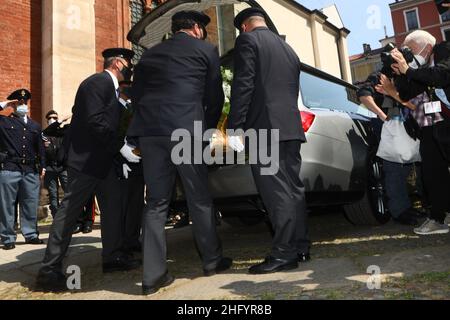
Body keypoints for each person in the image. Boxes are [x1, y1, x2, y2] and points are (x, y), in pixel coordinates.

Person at [127, 10, 231, 296]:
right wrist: (207, 130)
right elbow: (213, 96)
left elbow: (136, 96)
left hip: (150, 133)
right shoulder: (205, 50)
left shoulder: (148, 55)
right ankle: (211, 260)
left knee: (156, 203)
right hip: (186, 130)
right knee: (198, 197)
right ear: (196, 28)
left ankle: (152, 276)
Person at [36, 48, 142, 292]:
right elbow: (96, 122)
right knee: (69, 212)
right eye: (128, 63)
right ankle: (49, 269)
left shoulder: (111, 88)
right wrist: (121, 148)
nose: (130, 67)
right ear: (117, 63)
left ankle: (112, 257)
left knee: (113, 206)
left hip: (104, 162)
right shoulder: (97, 83)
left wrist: (119, 154)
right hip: (86, 161)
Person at [227, 8, 309, 275]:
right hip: (290, 127)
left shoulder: (248, 41)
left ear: (244, 27)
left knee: (275, 192)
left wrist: (235, 126)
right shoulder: (288, 48)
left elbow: (243, 84)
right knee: (293, 189)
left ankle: (283, 254)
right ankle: (299, 246)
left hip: (264, 128)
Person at [390, 30, 450, 235]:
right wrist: (402, 74)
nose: (409, 54)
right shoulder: (417, 69)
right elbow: (406, 94)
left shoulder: (444, 50)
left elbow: (441, 76)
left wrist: (410, 70)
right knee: (432, 173)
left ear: (427, 47)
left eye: (412, 50)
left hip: (446, 121)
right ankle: (439, 217)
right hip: (432, 125)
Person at [357, 58, 423, 226]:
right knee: (393, 167)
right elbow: (364, 95)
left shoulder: (405, 76)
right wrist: (382, 115)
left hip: (405, 122)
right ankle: (399, 210)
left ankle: (405, 206)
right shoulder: (378, 76)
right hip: (387, 123)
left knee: (407, 165)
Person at [0, 89, 45, 250]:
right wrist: (5, 104)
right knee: (7, 205)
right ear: (13, 104)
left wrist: (43, 166)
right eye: (19, 102)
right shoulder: (4, 122)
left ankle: (31, 234)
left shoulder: (35, 125)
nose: (22, 105)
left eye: (24, 102)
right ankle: (7, 237)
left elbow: (40, 148)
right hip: (10, 168)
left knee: (30, 203)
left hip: (31, 169)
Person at [115, 80, 145, 255]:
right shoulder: (115, 109)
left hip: (138, 161)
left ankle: (132, 239)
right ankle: (122, 241)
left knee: (136, 204)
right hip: (122, 163)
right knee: (123, 205)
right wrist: (121, 162)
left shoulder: (133, 109)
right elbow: (114, 138)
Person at [42, 110, 69, 218]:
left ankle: (69, 217)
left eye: (54, 118)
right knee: (53, 194)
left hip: (63, 167)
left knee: (68, 191)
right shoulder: (44, 133)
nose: (52, 120)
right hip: (49, 168)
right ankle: (56, 218)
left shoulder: (63, 132)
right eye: (49, 118)